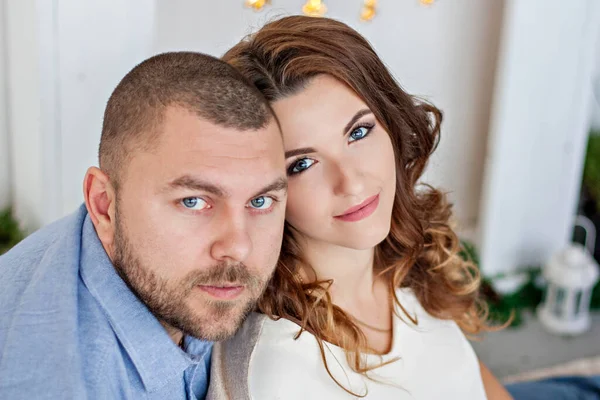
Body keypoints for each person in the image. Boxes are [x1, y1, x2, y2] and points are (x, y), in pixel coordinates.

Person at [207, 16, 513, 399]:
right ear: (258, 194)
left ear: (391, 121)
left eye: (358, 132)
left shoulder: (399, 254)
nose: (351, 182)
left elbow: (469, 377)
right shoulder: (281, 371)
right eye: (302, 164)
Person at [0, 52, 287, 399]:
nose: (238, 246)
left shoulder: (172, 279)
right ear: (104, 205)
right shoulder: (61, 382)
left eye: (260, 201)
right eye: (193, 201)